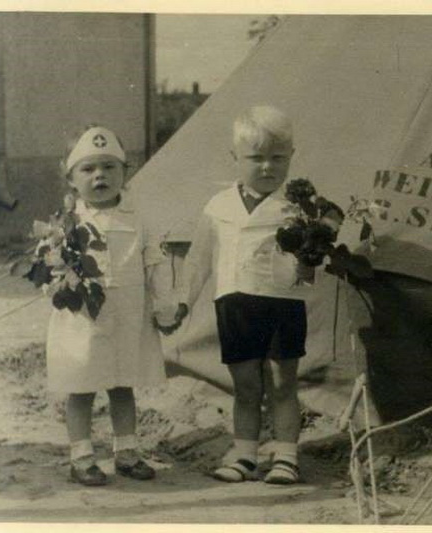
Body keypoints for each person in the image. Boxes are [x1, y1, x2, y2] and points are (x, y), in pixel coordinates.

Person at [170, 106, 314, 485]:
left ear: (291, 159)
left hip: (282, 305)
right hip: (235, 305)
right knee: (246, 386)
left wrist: (312, 255)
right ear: (235, 158)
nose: (267, 167)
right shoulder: (218, 207)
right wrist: (183, 302)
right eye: (256, 158)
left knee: (283, 383)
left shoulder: (297, 209)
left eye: (277, 158)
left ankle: (286, 456)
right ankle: (246, 453)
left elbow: (310, 267)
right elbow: (199, 260)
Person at [46, 125, 171, 486]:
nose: (99, 175)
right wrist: (60, 281)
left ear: (125, 173)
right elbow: (50, 271)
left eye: (109, 166)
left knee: (122, 385)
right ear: (70, 178)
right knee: (82, 386)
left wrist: (165, 305)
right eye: (88, 169)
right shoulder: (67, 224)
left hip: (128, 316)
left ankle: (127, 451)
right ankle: (81, 456)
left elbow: (155, 264)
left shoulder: (140, 217)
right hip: (83, 320)